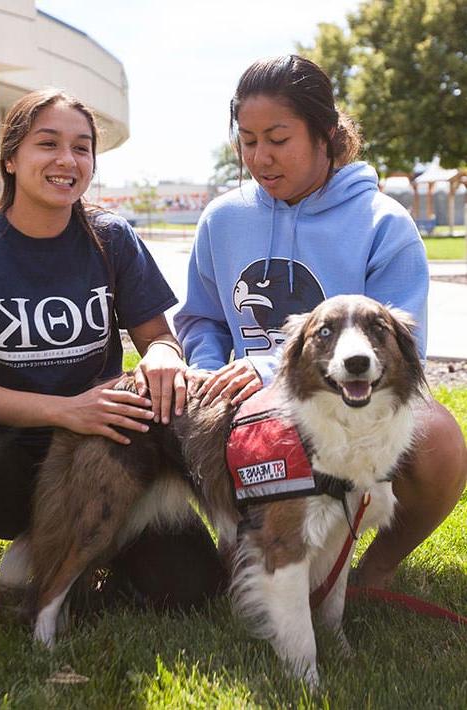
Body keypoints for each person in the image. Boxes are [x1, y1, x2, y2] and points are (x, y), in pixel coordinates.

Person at [0, 88, 223, 624]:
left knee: (189, 591)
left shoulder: (111, 238)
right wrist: (64, 409)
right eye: (47, 144)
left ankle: (80, 552)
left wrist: (165, 356)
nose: (67, 161)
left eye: (82, 147)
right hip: (8, 460)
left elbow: (159, 338)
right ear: (11, 158)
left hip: (104, 459)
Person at [174, 55, 466, 589]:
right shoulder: (222, 217)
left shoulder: (383, 223)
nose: (260, 157)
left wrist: (268, 372)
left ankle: (371, 574)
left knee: (439, 440)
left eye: (278, 138)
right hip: (240, 411)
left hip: (342, 404)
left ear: (326, 134)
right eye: (247, 140)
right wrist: (208, 375)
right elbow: (201, 318)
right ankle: (245, 534)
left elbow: (400, 349)